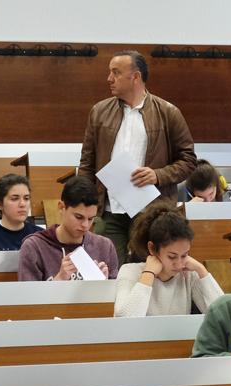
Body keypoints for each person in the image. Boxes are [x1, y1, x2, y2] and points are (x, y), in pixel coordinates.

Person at [79, 50, 197, 264]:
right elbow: (87, 164)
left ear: (135, 77)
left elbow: (188, 160)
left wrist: (158, 175)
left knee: (148, 271)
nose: (109, 78)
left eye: (116, 72)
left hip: (150, 211)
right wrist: (86, 204)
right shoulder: (99, 111)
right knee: (108, 271)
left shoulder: (168, 112)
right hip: (108, 210)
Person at [113, 201, 222, 317]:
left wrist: (201, 271)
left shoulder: (188, 273)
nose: (179, 264)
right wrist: (148, 275)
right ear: (152, 248)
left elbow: (223, 316)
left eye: (185, 255)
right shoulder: (130, 271)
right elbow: (124, 321)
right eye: (172, 257)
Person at [18, 176, 118, 281]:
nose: (85, 225)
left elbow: (115, 295)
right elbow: (28, 296)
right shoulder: (34, 247)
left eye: (91, 219)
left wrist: (106, 286)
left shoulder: (105, 246)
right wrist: (59, 279)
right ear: (61, 207)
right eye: (79, 217)